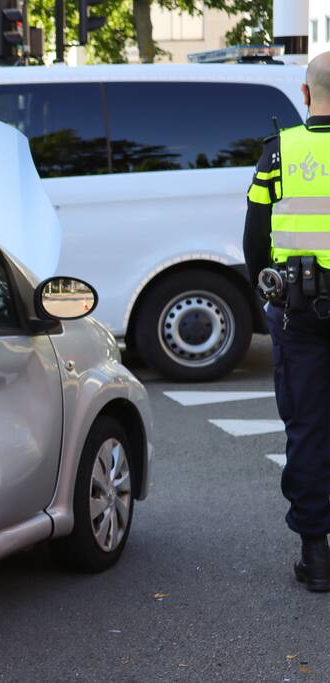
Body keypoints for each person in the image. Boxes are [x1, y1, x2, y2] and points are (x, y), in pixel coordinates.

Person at [244, 51, 330, 592]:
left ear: (304, 93)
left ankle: (317, 556)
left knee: (308, 427)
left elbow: (255, 239)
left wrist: (270, 298)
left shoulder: (280, 153)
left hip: (300, 312)